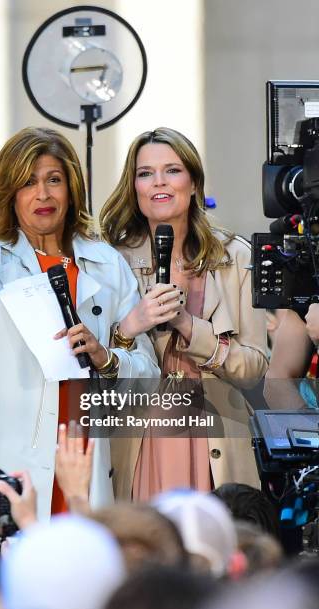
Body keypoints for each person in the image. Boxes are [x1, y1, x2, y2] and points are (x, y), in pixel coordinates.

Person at [0, 91, 159, 520]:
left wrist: (107, 359)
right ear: (9, 193)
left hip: (81, 455)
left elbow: (148, 376)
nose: (42, 193)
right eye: (28, 182)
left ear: (71, 187)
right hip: (1, 453)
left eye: (53, 179)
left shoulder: (105, 263)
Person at [100, 127, 268, 500]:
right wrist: (129, 329)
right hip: (141, 439)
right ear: (134, 187)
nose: (159, 182)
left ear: (193, 183)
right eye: (145, 173)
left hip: (216, 440)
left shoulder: (236, 257)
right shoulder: (111, 262)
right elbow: (94, 370)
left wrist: (189, 327)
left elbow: (255, 367)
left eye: (172, 170)